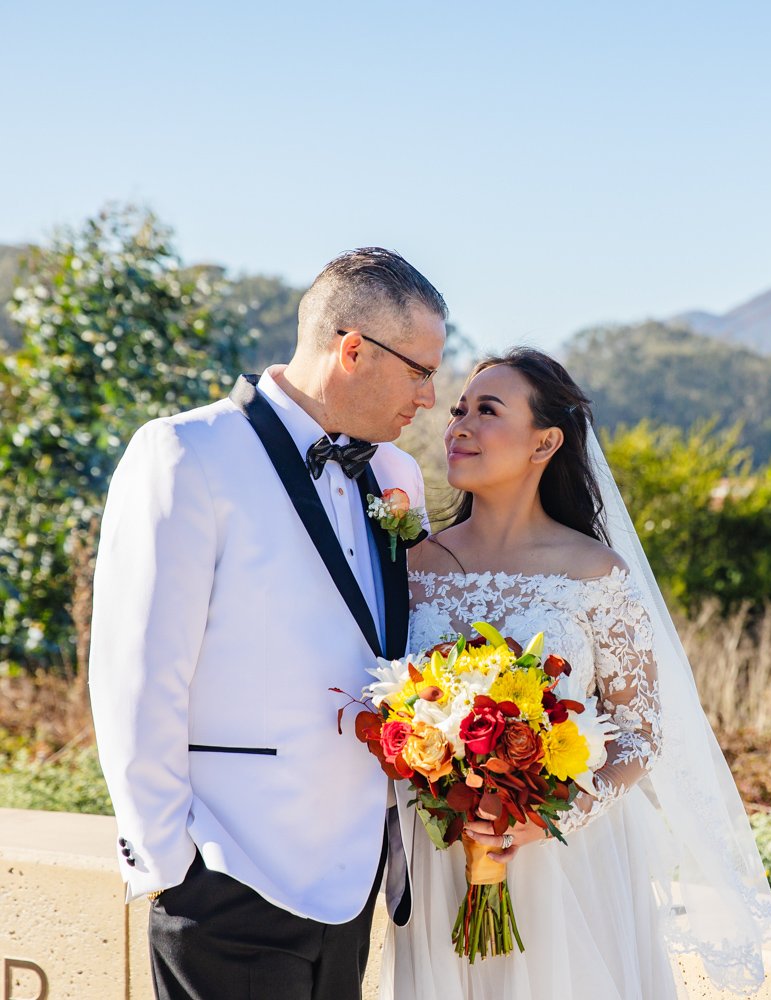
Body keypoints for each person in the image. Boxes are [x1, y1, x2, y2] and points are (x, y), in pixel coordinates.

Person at [89, 247, 447, 1000]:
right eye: (419, 370)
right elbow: (137, 672)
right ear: (353, 349)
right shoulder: (186, 452)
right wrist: (169, 867)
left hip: (355, 884)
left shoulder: (397, 477)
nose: (430, 396)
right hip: (227, 870)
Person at [383, 349, 771, 999]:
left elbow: (639, 735)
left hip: (565, 860)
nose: (459, 425)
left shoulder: (595, 574)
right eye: (457, 410)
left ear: (546, 441)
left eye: (487, 410)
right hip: (438, 859)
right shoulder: (411, 565)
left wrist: (554, 816)